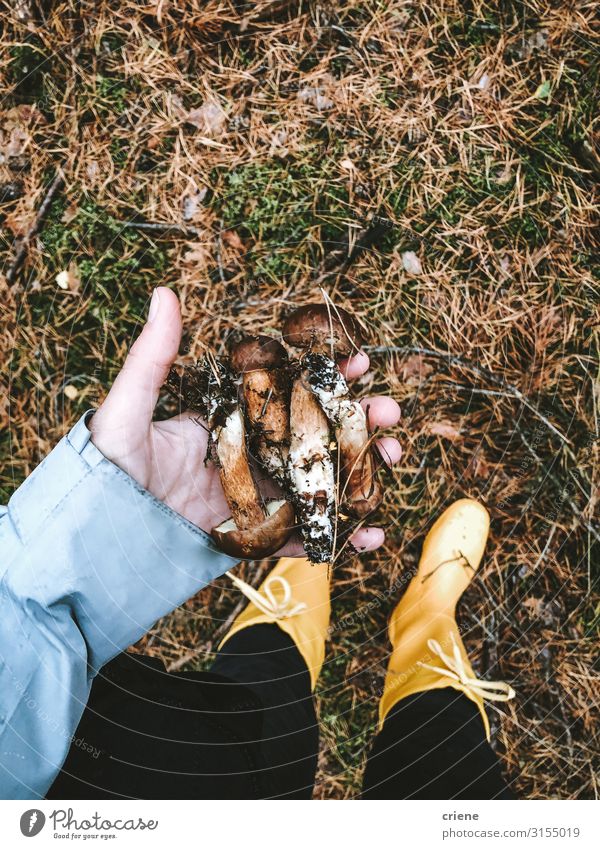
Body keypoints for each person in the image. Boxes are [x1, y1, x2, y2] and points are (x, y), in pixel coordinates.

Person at [0, 288, 515, 800]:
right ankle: (426, 644)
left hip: (127, 745)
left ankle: (287, 627)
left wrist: (112, 519)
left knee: (261, 701)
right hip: (141, 778)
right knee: (451, 768)